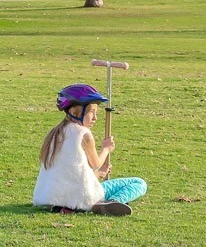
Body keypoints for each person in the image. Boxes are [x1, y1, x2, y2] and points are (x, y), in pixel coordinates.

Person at [32, 84, 147, 216]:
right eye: (91, 112)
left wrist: (98, 174)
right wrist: (106, 149)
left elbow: (70, 175)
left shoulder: (54, 133)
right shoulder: (83, 133)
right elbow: (96, 164)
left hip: (49, 198)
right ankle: (111, 202)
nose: (95, 118)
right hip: (82, 199)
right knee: (139, 183)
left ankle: (103, 203)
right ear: (75, 111)